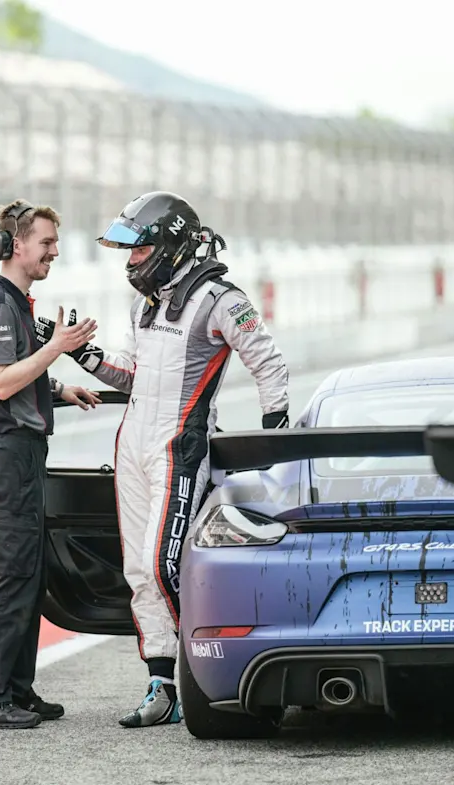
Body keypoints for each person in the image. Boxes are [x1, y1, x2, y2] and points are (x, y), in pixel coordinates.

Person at [35, 191, 290, 727]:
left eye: (138, 250)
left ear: (170, 247)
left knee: (161, 562)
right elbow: (132, 375)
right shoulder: (144, 303)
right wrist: (87, 357)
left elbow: (269, 365)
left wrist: (277, 439)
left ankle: (200, 678)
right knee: (136, 569)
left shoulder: (222, 298)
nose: (130, 262)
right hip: (131, 445)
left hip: (180, 446)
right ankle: (160, 684)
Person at [0, 198, 102, 730]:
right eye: (45, 242)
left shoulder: (17, 303)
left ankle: (17, 692)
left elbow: (15, 376)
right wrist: (58, 349)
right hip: (6, 451)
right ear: (16, 245)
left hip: (19, 449)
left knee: (29, 574)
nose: (54, 251)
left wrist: (61, 388)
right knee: (11, 573)